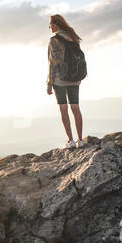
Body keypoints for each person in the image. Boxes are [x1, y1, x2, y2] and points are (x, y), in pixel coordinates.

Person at [46, 14, 84, 149]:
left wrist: (49, 82)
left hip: (60, 79)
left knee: (64, 109)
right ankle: (80, 140)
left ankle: (71, 141)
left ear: (55, 24)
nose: (49, 27)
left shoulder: (54, 40)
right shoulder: (73, 37)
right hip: (75, 78)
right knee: (76, 108)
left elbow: (52, 62)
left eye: (50, 24)